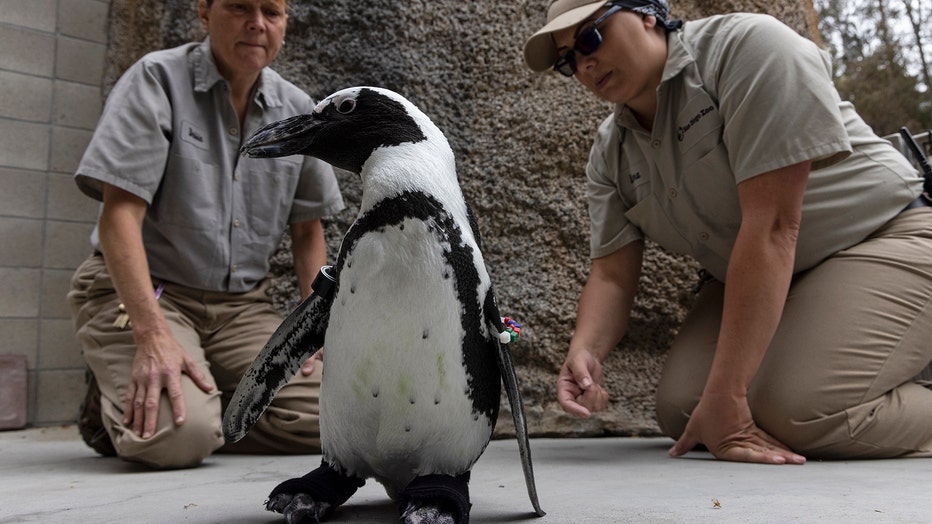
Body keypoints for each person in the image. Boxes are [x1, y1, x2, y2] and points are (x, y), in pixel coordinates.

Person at [524, 0, 932, 464]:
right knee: (684, 410)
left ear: (647, 13)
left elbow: (775, 226)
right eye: (566, 60)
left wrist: (731, 395)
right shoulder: (609, 152)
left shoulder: (748, 49)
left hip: (884, 236)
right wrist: (585, 351)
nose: (583, 62)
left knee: (799, 410)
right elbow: (612, 276)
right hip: (783, 274)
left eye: (589, 37)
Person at [67, 0, 345, 469]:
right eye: (240, 6)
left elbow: (307, 231)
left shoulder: (298, 110)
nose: (257, 23)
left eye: (271, 12)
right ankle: (117, 406)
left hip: (240, 310)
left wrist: (312, 320)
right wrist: (151, 332)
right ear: (204, 11)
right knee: (177, 439)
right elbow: (119, 216)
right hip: (150, 296)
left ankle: (208, 397)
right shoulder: (156, 79)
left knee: (339, 418)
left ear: (284, 24)